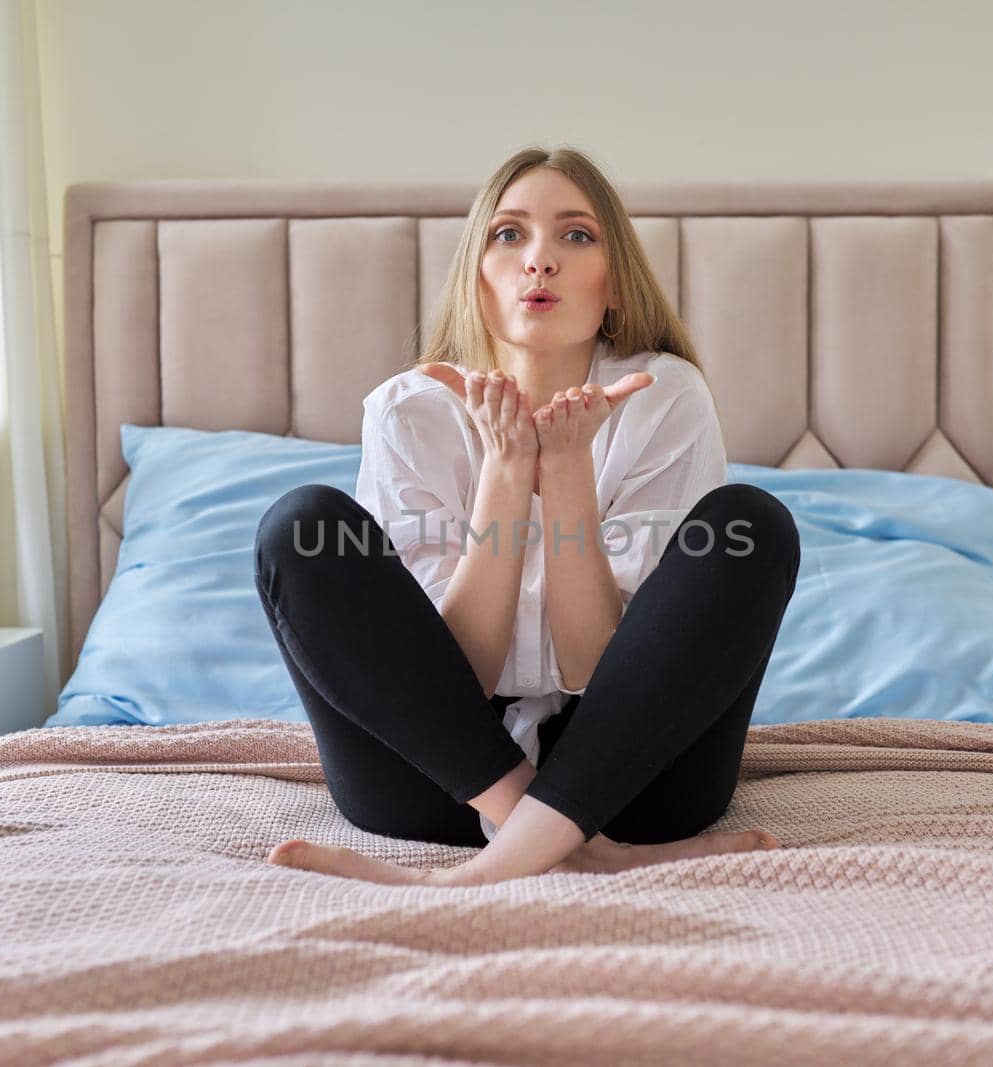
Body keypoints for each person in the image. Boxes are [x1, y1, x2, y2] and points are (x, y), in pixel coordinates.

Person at [255, 146, 800, 887]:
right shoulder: (408, 411)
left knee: (753, 525)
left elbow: (599, 671)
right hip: (434, 782)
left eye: (576, 236)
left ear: (614, 285)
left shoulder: (665, 398)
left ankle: (474, 875)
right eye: (509, 234)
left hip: (636, 780)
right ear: (475, 279)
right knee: (300, 527)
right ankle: (584, 851)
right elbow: (460, 680)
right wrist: (508, 472)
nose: (539, 259)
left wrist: (568, 468)